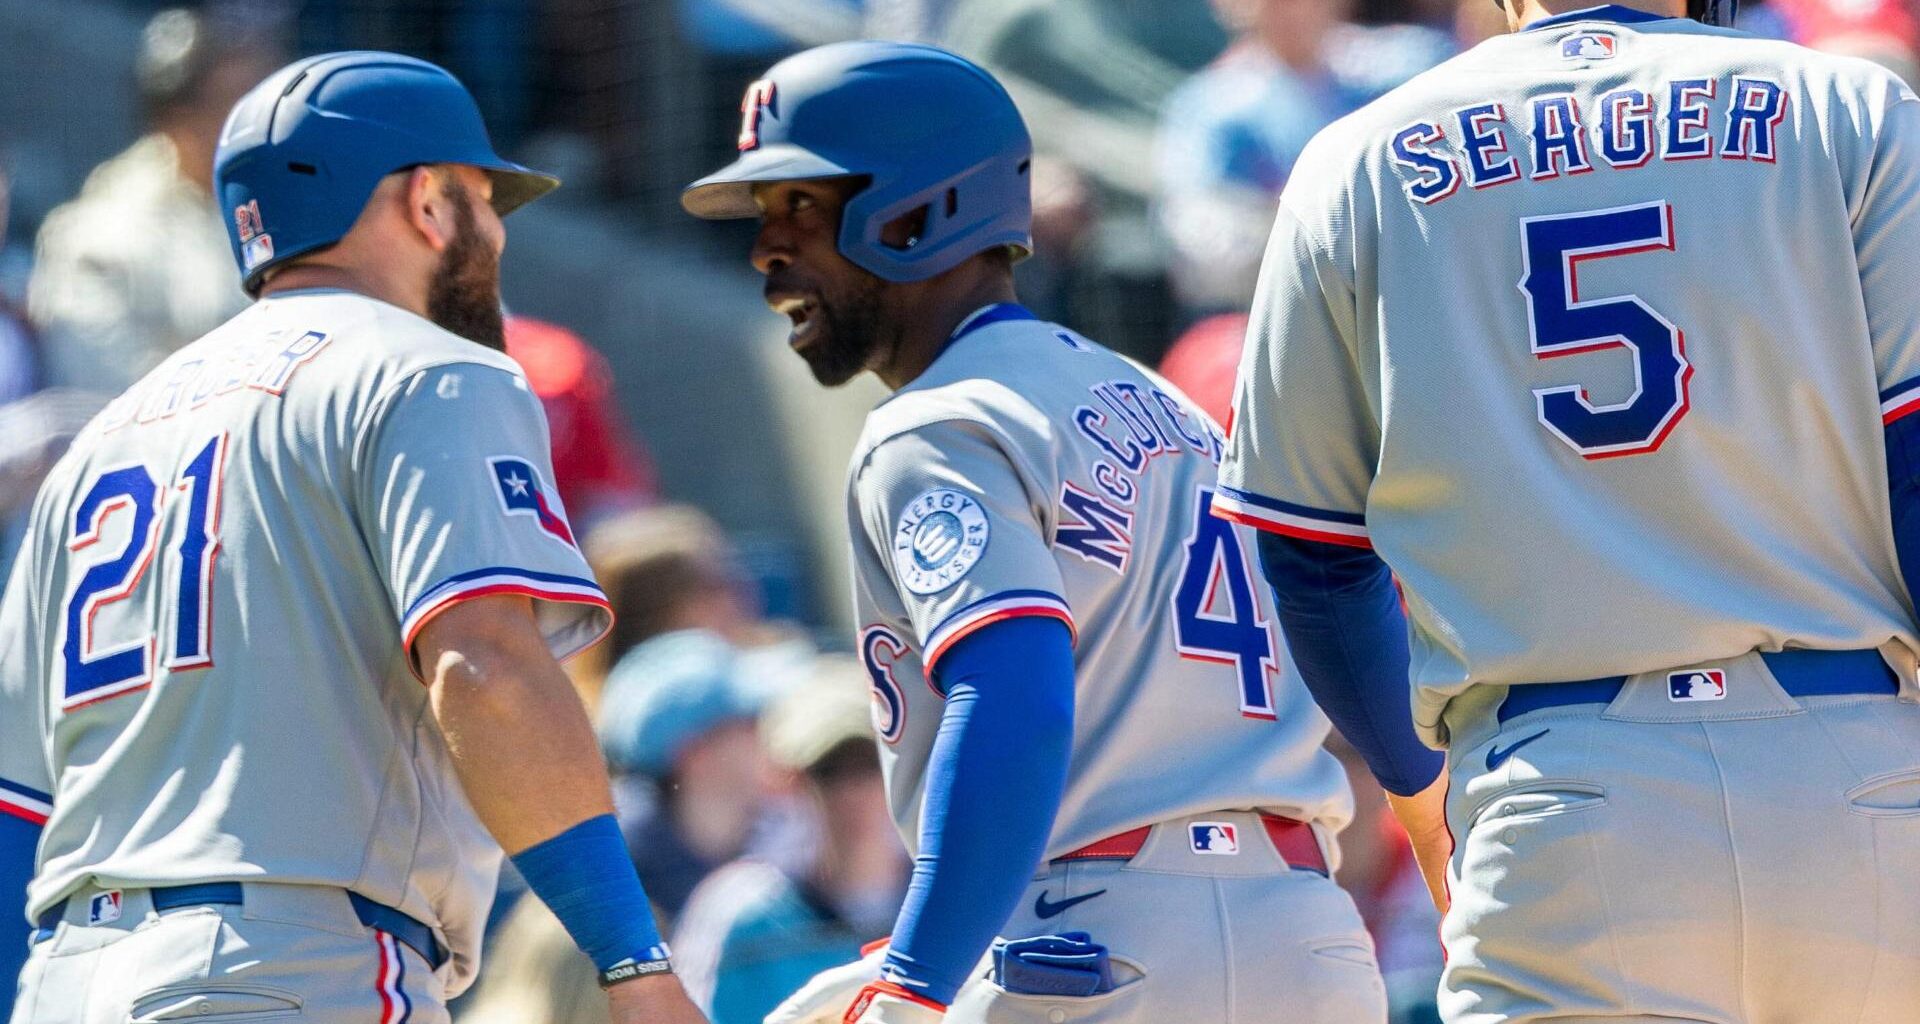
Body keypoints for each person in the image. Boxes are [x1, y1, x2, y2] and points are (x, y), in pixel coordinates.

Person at [1214, 0, 1920, 1017]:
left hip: (1562, 790)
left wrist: (1422, 803)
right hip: (1861, 773)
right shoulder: (1847, 105)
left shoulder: (1354, 161)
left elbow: (1311, 553)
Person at [683, 41, 1384, 1024]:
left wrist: (916, 979)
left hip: (1101, 941)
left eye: (798, 205)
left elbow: (1013, 696)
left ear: (915, 214)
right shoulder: (1167, 404)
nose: (766, 249)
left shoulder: (937, 423)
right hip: (1307, 936)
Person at [0, 53, 705, 1023]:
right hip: (286, 966)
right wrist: (633, 962)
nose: (498, 229)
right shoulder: (425, 370)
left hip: (66, 979)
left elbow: (17, 806)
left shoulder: (101, 441)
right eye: (484, 198)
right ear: (427, 200)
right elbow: (486, 669)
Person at [26, 6, 279, 394]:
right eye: (237, 104)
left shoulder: (291, 205)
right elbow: (105, 386)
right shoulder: (99, 233)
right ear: (176, 118)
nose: (263, 124)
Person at [671, 656, 910, 1024]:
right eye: (831, 771)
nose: (855, 793)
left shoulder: (960, 901)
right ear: (791, 782)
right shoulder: (740, 915)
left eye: (870, 764)